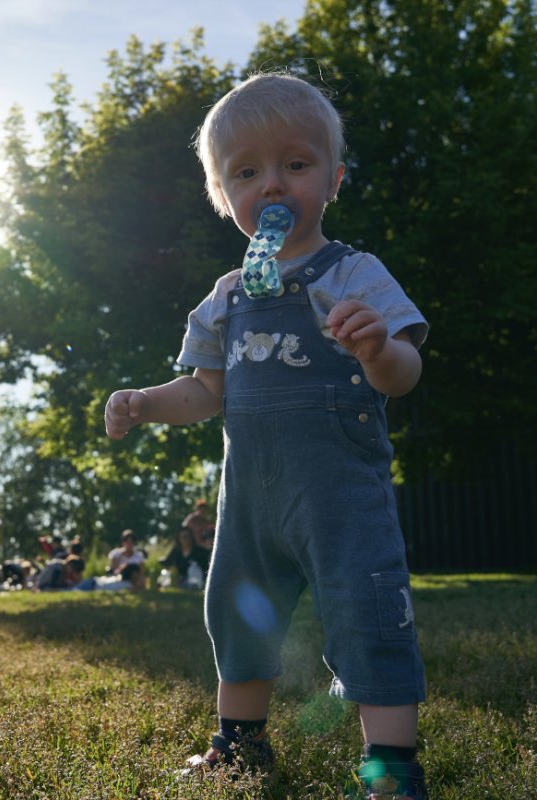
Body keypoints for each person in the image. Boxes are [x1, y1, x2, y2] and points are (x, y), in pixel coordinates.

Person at [104, 73, 429, 797]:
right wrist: (145, 403)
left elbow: (403, 374)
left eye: (296, 164)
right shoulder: (223, 299)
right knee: (236, 614)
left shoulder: (353, 273)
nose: (273, 186)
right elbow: (203, 393)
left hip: (341, 493)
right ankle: (240, 745)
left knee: (367, 613)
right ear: (225, 197)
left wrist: (377, 348)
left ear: (334, 178)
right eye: (248, 172)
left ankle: (391, 767)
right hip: (250, 499)